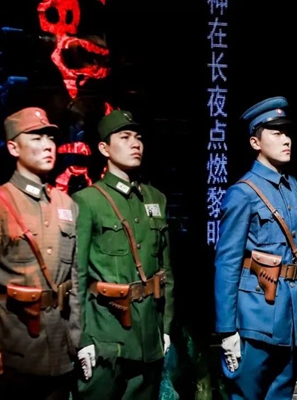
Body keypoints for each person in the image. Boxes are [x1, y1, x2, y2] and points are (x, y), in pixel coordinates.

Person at [0, 107, 82, 399]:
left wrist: (77, 340)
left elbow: (75, 280)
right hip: (14, 349)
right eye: (36, 138)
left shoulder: (66, 204)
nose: (48, 145)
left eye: (51, 138)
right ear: (13, 148)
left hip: (60, 349)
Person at [214, 96, 297, 399]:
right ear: (255, 142)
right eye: (276, 133)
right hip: (255, 316)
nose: (286, 140)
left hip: (292, 318)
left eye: (287, 133)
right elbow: (227, 262)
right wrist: (227, 330)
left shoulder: (296, 189)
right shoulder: (243, 193)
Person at [72, 109, 174, 399]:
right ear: (104, 148)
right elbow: (76, 275)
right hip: (106, 336)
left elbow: (166, 271)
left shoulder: (155, 199)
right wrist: (81, 338)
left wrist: (165, 326)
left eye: (138, 137)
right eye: (125, 137)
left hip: (149, 336)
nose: (135, 144)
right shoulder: (87, 201)